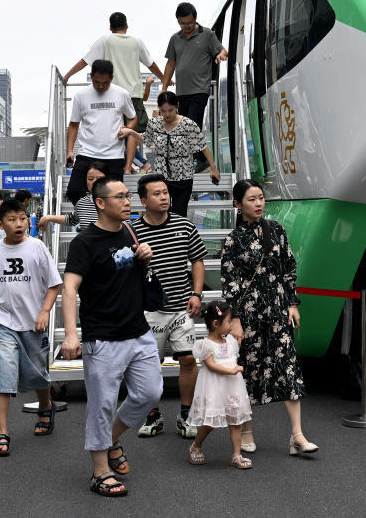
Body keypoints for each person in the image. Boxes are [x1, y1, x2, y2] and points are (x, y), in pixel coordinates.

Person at [60, 176, 162, 498]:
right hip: (102, 337)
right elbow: (69, 288)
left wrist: (145, 257)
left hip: (138, 331)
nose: (128, 201)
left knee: (150, 393)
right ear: (101, 203)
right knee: (102, 405)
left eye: (128, 195)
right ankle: (100, 471)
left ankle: (111, 439)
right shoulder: (85, 242)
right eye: (120, 197)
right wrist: (71, 334)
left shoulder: (130, 231)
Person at [221, 179, 317, 456]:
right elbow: (229, 282)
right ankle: (247, 430)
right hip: (248, 314)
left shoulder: (276, 230)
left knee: (288, 367)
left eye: (261, 198)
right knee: (247, 371)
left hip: (277, 310)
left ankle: (297, 434)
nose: (259, 203)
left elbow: (289, 267)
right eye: (251, 199)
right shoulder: (233, 240)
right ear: (238, 204)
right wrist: (235, 319)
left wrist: (293, 303)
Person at [0, 198, 63, 457]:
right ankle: (1, 433)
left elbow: (54, 284)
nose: (18, 224)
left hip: (33, 322)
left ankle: (45, 406)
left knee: (37, 372)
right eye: (12, 220)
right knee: (3, 373)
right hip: (2, 320)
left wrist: (45, 311)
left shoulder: (37, 246)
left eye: (22, 218)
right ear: (0, 224)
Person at [130, 173, 207, 439]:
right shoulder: (133, 231)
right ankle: (153, 415)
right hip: (148, 310)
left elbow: (197, 260)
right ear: (143, 201)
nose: (164, 197)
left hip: (181, 307)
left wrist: (197, 294)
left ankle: (186, 414)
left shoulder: (184, 226)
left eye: (165, 192)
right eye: (157, 194)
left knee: (188, 359)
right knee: (150, 364)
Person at [119, 91, 219, 217]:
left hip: (183, 175)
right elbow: (145, 138)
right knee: (162, 212)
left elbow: (203, 146)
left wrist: (213, 168)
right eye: (163, 111)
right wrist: (130, 132)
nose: (167, 114)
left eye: (170, 110)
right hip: (162, 175)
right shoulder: (154, 123)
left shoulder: (188, 124)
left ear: (177, 106)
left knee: (179, 213)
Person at [62, 12, 164, 135]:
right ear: (127, 26)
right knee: (132, 134)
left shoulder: (105, 40)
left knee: (114, 132)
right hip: (134, 95)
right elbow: (151, 64)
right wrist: (164, 79)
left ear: (110, 27)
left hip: (112, 95)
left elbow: (85, 61)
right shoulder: (137, 41)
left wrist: (67, 76)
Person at [160, 2, 228, 170]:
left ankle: (200, 159)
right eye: (182, 23)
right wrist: (164, 88)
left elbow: (223, 50)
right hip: (182, 92)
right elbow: (170, 64)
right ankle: (199, 159)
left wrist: (220, 55)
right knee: (183, 126)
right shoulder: (175, 38)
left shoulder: (207, 34)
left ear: (195, 19)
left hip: (200, 89)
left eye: (189, 23)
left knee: (191, 124)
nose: (186, 26)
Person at [187, 300, 253, 469]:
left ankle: (237, 456)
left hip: (231, 387)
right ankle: (196, 446)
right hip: (214, 387)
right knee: (210, 423)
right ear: (216, 324)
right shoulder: (206, 345)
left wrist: (233, 370)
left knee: (235, 421)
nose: (231, 325)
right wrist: (231, 371)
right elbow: (211, 366)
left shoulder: (230, 341)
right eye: (229, 321)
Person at [65, 59, 137, 206]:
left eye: (105, 83)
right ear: (91, 76)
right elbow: (73, 124)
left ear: (112, 78)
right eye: (97, 82)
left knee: (114, 196)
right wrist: (70, 151)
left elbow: (133, 117)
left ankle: (103, 217)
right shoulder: (81, 95)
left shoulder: (122, 94)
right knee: (74, 190)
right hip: (87, 153)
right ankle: (91, 215)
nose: (101, 86)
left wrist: (127, 129)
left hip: (113, 155)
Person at [38, 163, 105, 233]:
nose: (94, 182)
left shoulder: (112, 202)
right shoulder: (82, 202)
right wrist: (48, 218)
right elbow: (71, 219)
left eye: (99, 179)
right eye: (90, 179)